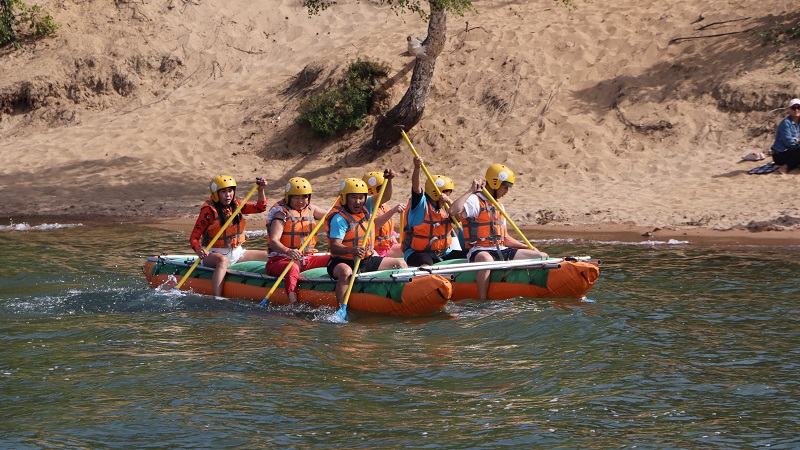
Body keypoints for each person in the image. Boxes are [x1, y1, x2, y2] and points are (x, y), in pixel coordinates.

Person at [449, 164, 549, 300]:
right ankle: (482, 301)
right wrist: (470, 191)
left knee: (541, 255)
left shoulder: (499, 205)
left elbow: (505, 237)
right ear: (495, 183)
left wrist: (526, 246)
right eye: (505, 187)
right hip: (479, 250)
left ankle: (538, 288)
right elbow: (453, 211)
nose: (507, 191)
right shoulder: (475, 200)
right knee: (487, 260)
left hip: (501, 249)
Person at [326, 171, 408, 307]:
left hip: (366, 260)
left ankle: (402, 296)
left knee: (400, 264)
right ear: (345, 198)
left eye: (361, 197)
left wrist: (389, 180)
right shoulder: (339, 218)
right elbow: (334, 246)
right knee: (346, 272)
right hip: (342, 261)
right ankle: (341, 308)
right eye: (353, 197)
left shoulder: (367, 205)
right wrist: (352, 250)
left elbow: (385, 196)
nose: (358, 202)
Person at [189, 175, 270, 297]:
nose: (228, 195)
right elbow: (194, 238)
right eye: (223, 192)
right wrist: (199, 250)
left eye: (230, 191)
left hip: (237, 252)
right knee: (223, 260)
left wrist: (261, 190)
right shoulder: (208, 211)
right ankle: (217, 298)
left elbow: (260, 207)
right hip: (213, 254)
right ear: (216, 193)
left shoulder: (236, 204)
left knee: (269, 255)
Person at [264, 177, 331, 303]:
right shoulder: (281, 213)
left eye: (303, 197)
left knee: (334, 259)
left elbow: (333, 216)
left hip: (307, 259)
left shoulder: (312, 209)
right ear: (289, 197)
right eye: (296, 197)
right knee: (292, 268)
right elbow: (274, 241)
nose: (300, 201)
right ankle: (294, 303)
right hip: (280, 260)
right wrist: (288, 251)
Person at [402, 156, 472, 266]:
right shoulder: (420, 203)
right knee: (425, 262)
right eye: (447, 192)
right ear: (437, 192)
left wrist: (449, 201)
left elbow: (459, 218)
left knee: (470, 255)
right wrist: (417, 167)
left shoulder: (446, 207)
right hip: (418, 253)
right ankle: (427, 279)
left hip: (442, 253)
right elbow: (416, 187)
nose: (448, 195)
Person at [362, 171, 405, 258]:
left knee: (409, 250)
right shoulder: (364, 207)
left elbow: (390, 232)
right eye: (382, 188)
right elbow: (374, 225)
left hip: (387, 248)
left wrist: (395, 243)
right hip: (373, 249)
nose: (385, 190)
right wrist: (392, 211)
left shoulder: (385, 207)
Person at [770, 98, 800, 175]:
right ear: (789, 110)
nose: (796, 110)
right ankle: (784, 167)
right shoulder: (785, 123)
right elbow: (788, 142)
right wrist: (797, 142)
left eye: (798, 108)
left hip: (793, 151)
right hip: (780, 153)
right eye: (794, 108)